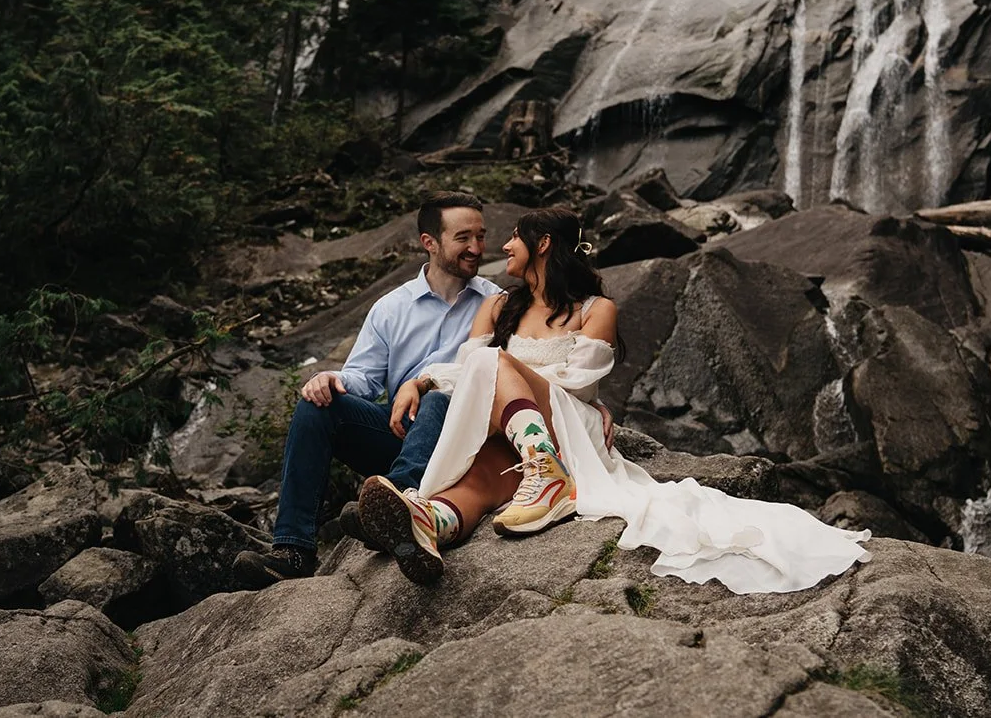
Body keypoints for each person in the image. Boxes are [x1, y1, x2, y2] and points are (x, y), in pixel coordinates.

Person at [355, 206, 873, 593]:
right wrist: (419, 382)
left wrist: (513, 374)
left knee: (492, 365)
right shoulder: (495, 307)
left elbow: (582, 378)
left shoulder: (595, 309)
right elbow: (463, 369)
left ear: (543, 244)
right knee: (478, 480)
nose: (503, 246)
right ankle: (430, 524)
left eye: (514, 237)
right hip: (513, 427)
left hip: (567, 427)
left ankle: (545, 469)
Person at [233, 191, 501, 587]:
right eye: (463, 238)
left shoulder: (496, 302)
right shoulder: (391, 308)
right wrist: (331, 379)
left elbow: (508, 372)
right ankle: (293, 551)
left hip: (464, 440)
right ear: (429, 242)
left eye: (480, 236)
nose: (476, 248)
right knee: (316, 406)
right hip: (402, 433)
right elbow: (364, 376)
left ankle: (398, 508)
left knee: (438, 397)